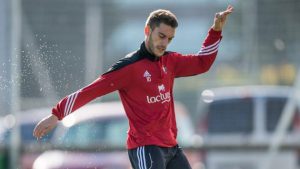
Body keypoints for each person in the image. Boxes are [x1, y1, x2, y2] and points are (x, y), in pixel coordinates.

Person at [34, 5, 234, 169]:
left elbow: (202, 63)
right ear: (148, 30)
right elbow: (90, 91)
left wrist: (216, 30)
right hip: (145, 148)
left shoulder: (170, 61)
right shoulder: (128, 68)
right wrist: (56, 114)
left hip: (171, 147)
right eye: (161, 36)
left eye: (170, 39)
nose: (165, 43)